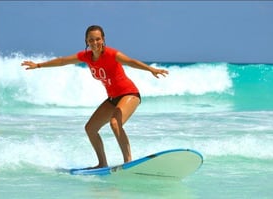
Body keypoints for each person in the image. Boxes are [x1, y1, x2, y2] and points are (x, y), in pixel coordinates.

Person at [21, 25, 168, 169]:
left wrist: (151, 69)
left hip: (130, 94)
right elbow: (62, 61)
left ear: (103, 39)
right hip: (112, 98)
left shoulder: (112, 54)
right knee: (90, 128)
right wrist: (38, 65)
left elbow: (131, 62)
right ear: (87, 41)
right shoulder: (86, 56)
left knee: (115, 123)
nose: (95, 43)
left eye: (98, 39)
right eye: (91, 40)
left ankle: (128, 162)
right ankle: (102, 163)